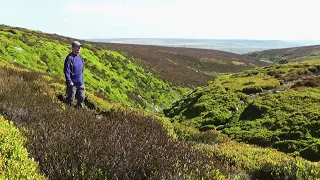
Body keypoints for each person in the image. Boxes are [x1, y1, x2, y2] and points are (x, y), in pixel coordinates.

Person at [64, 41, 85, 108]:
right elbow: (66, 70)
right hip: (72, 83)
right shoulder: (69, 58)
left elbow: (82, 69)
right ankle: (66, 110)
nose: (79, 48)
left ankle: (78, 111)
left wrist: (81, 78)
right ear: (73, 48)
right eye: (78, 47)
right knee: (71, 99)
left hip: (80, 82)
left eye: (80, 47)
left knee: (81, 97)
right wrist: (69, 81)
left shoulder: (80, 57)